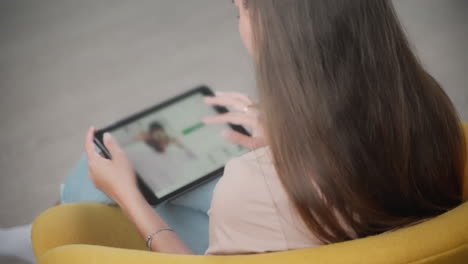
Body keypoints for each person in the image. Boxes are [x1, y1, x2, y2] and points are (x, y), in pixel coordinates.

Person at [48, 0, 468, 257]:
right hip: (360, 235)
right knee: (176, 178)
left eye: (240, 8)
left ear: (277, 33)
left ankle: (59, 214)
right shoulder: (431, 109)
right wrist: (295, 140)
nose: (240, 23)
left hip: (295, 231)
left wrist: (127, 198)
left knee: (101, 185)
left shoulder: (250, 185)